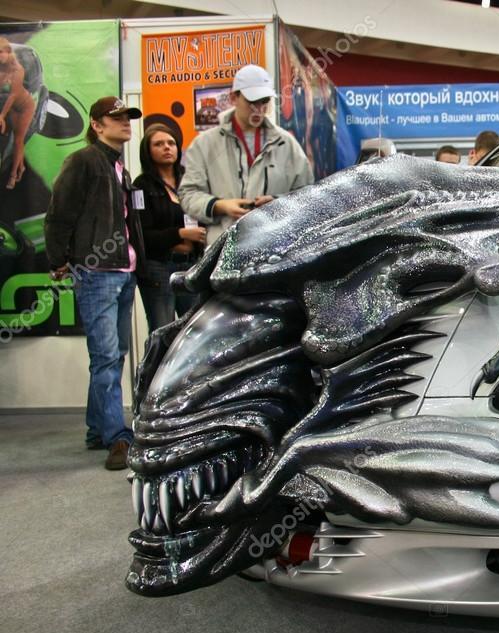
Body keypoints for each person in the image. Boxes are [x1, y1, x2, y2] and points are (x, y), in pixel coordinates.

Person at [44, 96, 146, 470]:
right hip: (97, 271)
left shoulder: (120, 168)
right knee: (106, 356)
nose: (125, 122)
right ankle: (117, 437)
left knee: (112, 355)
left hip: (123, 270)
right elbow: (58, 215)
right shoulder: (84, 161)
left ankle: (96, 429)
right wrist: (58, 259)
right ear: (96, 124)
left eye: (128, 117)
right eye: (116, 117)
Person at [178, 64, 313, 244]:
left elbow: (307, 195)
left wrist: (276, 202)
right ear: (233, 98)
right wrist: (220, 205)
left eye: (264, 101)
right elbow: (188, 194)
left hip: (276, 249)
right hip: (225, 249)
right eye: (252, 101)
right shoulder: (204, 144)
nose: (259, 108)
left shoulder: (286, 143)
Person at [133, 123, 205, 332]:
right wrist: (180, 233)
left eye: (171, 143)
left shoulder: (190, 181)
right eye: (159, 144)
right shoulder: (141, 186)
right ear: (147, 151)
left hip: (192, 265)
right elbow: (142, 236)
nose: (167, 147)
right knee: (163, 330)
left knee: (196, 331)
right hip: (159, 267)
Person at [0, 37, 37, 189]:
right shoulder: (1, 69)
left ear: (8, 52)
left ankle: (13, 175)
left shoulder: (18, 69)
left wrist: (2, 116)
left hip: (25, 107)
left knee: (17, 140)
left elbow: (13, 95)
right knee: (18, 141)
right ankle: (21, 167)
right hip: (13, 108)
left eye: (0, 52)